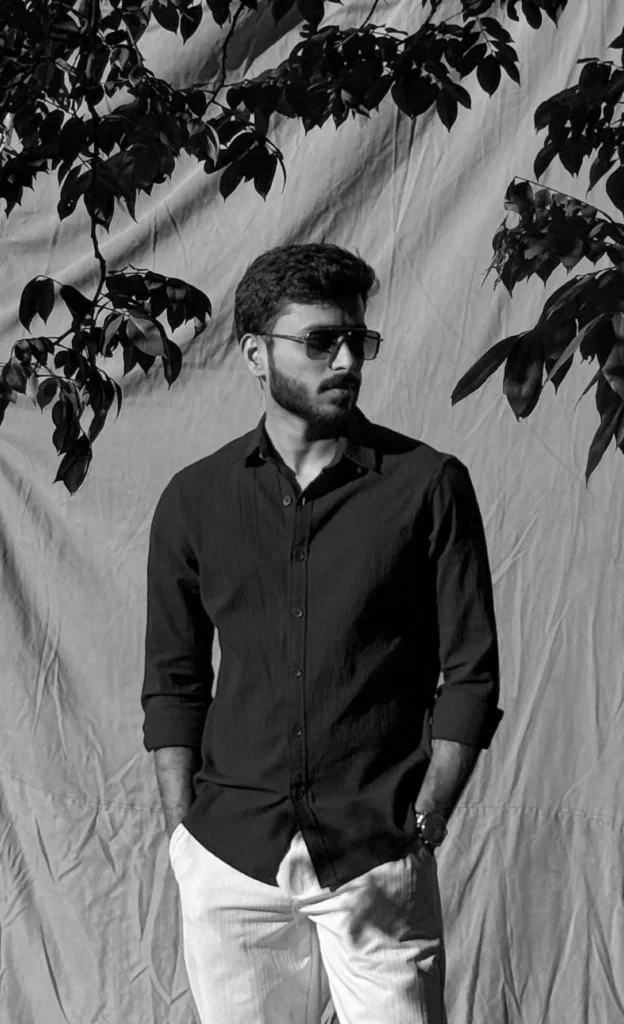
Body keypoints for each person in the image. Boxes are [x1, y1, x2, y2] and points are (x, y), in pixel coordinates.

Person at [140, 242, 503, 1024]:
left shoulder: (427, 487)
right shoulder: (195, 500)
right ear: (255, 354)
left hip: (373, 855)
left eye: (356, 340)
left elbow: (472, 673)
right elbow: (173, 682)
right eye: (320, 341)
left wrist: (428, 816)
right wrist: (182, 833)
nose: (346, 360)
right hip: (230, 857)